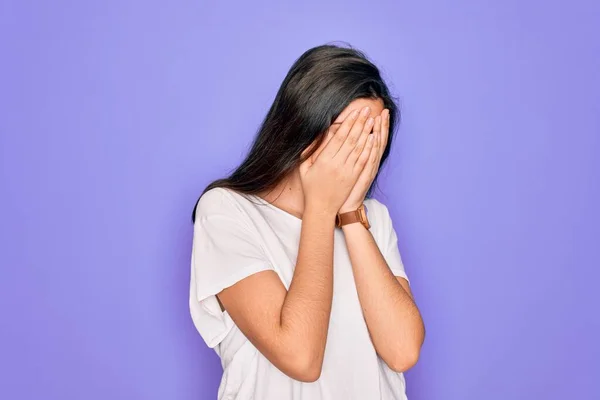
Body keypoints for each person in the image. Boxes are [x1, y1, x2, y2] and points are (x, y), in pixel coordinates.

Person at [189, 43, 425, 400]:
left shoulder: (371, 217)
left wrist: (348, 214)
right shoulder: (226, 211)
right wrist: (320, 205)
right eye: (350, 132)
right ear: (303, 123)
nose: (361, 149)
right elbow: (300, 357)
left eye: (373, 134)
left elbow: (403, 350)